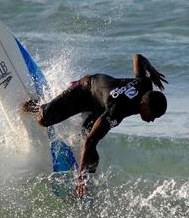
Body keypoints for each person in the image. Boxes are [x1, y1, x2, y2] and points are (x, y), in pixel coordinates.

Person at [22, 54, 168, 197]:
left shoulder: (145, 84)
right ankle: (38, 105)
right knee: (43, 120)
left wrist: (152, 72)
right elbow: (91, 140)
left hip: (100, 105)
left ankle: (85, 190)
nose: (153, 120)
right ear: (143, 105)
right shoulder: (117, 110)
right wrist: (80, 177)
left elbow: (138, 58)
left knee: (93, 158)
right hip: (85, 90)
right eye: (153, 115)